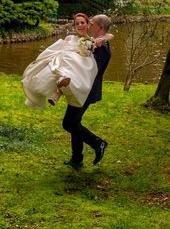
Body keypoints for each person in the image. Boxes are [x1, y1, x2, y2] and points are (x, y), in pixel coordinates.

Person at [22, 13, 112, 109]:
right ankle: (58, 88)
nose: (80, 25)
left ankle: (58, 91)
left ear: (88, 24)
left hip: (78, 69)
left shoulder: (91, 41)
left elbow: (109, 35)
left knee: (72, 60)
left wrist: (102, 38)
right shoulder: (70, 38)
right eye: (77, 24)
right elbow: (59, 49)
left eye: (82, 23)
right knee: (65, 58)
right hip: (62, 62)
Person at [62, 14, 112, 169]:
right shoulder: (96, 42)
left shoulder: (102, 48)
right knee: (74, 122)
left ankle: (98, 143)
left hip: (86, 91)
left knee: (69, 123)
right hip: (82, 89)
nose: (89, 24)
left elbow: (89, 70)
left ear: (100, 27)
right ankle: (77, 159)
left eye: (92, 22)